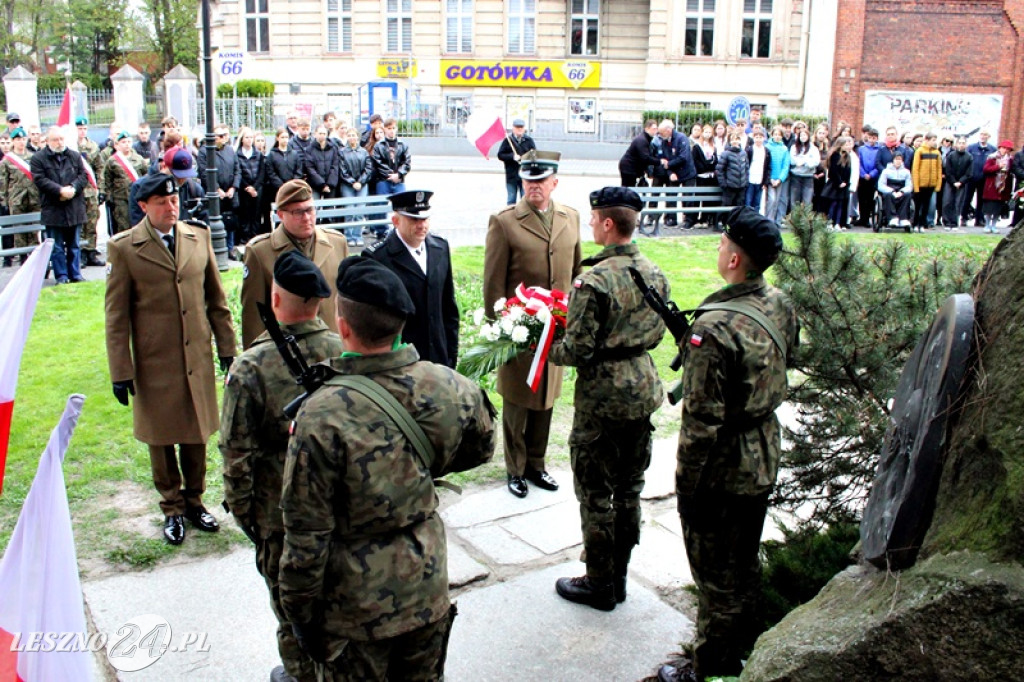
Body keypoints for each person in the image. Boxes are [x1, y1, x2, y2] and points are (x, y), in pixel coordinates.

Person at [278, 256, 495, 681]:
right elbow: (483, 448)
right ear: (400, 325)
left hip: (356, 611)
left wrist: (299, 617)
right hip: (426, 586)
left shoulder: (321, 414)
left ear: (343, 326)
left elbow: (306, 536)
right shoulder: (450, 385)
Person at [656, 207, 799, 682]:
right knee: (743, 562)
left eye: (722, 243)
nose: (718, 248)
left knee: (715, 574)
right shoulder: (779, 302)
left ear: (736, 259)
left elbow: (700, 421)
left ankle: (709, 668)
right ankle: (747, 648)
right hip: (762, 452)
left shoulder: (712, 329)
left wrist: (686, 485)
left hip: (722, 467)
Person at [221, 250, 342, 682]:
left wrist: (247, 516)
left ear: (275, 300)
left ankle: (300, 674)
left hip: (280, 514)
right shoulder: (343, 350)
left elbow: (236, 453)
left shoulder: (251, 365)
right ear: (318, 304)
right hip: (338, 505)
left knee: (292, 607)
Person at [549, 186, 668, 612]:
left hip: (602, 398)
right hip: (642, 388)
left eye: (594, 218)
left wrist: (543, 345)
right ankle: (618, 576)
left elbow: (577, 349)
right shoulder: (653, 270)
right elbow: (656, 331)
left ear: (607, 223)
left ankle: (598, 583)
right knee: (630, 489)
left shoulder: (594, 280)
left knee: (597, 491)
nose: (591, 224)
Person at [105, 173, 237, 545]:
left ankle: (195, 501)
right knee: (161, 437)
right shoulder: (125, 248)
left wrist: (228, 348)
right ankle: (172, 507)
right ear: (144, 206)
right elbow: (116, 318)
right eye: (162, 202)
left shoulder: (198, 238)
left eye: (174, 200)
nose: (171, 207)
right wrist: (121, 370)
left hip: (196, 354)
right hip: (155, 361)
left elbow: (217, 300)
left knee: (197, 431)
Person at [484, 150, 582, 498]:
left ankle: (537, 465)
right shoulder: (505, 221)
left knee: (546, 398)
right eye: (528, 179)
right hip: (520, 330)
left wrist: (574, 316)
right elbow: (493, 284)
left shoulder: (571, 217)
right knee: (517, 399)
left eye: (541, 180)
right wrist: (501, 330)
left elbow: (577, 272)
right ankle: (515, 468)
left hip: (557, 330)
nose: (534, 186)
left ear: (554, 182)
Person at [240, 179, 349, 348]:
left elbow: (347, 301)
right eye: (298, 212)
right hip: (288, 356)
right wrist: (255, 362)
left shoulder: (337, 242)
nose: (307, 218)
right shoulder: (261, 252)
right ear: (281, 214)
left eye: (310, 210)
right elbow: (253, 315)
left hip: (333, 350)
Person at [362, 190, 459, 367]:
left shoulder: (440, 248)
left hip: (439, 359)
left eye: (425, 219)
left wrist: (451, 356)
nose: (422, 225)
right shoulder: (378, 258)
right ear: (396, 221)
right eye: (414, 219)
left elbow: (448, 309)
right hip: (401, 362)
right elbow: (375, 321)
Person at [31, 127, 88, 283]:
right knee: (56, 247)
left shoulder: (74, 156)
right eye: (55, 140)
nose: (59, 142)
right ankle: (61, 276)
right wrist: (59, 191)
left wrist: (73, 188)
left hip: (74, 207)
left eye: (61, 139)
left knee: (74, 245)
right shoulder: (38, 159)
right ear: (48, 141)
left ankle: (75, 274)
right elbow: (40, 180)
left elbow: (83, 176)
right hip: (53, 208)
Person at [197, 124, 242, 256]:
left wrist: (233, 187)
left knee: (230, 222)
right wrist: (217, 189)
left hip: (230, 193)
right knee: (215, 221)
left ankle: (230, 248)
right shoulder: (205, 151)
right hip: (215, 194)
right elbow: (204, 173)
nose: (223, 139)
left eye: (225, 136)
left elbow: (237, 170)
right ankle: (215, 249)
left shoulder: (230, 150)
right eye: (220, 136)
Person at [0, 128, 40, 265]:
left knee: (34, 231)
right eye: (17, 140)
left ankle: (35, 259)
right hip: (16, 200)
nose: (21, 142)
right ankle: (23, 259)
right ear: (13, 141)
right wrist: (4, 202)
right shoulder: (7, 161)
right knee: (19, 232)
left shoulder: (33, 157)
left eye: (23, 139)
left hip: (34, 199)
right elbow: (3, 183)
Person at [101, 131, 149, 235]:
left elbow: (146, 175)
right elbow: (107, 180)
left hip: (137, 197)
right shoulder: (112, 161)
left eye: (129, 141)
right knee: (123, 226)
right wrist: (109, 197)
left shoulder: (139, 159)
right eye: (123, 142)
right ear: (117, 145)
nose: (127, 144)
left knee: (138, 224)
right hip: (120, 199)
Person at [74, 117, 105, 267]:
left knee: (92, 222)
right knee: (79, 223)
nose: (82, 131)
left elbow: (100, 168)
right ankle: (80, 254)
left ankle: (91, 251)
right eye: (79, 128)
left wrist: (100, 188)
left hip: (91, 190)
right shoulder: (71, 147)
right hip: (77, 192)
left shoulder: (93, 146)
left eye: (84, 128)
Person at [338, 126, 373, 246]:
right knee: (349, 211)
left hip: (362, 186)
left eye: (354, 135)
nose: (352, 138)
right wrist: (352, 182)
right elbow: (342, 170)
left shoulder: (364, 152)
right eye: (350, 135)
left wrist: (360, 182)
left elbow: (368, 169)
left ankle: (357, 236)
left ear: (357, 137)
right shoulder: (342, 152)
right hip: (348, 185)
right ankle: (349, 236)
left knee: (359, 211)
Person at [235, 125, 265, 244]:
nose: (249, 140)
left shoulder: (258, 154)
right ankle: (245, 237)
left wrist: (255, 187)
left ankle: (255, 236)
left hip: (257, 188)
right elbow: (238, 172)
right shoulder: (237, 154)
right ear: (242, 139)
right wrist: (247, 187)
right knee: (245, 214)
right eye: (247, 137)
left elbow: (262, 172)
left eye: (251, 137)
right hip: (244, 188)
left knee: (256, 214)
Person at [497, 119, 537, 205]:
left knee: (525, 201)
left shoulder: (529, 140)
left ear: (524, 129)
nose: (519, 129)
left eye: (521, 127)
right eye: (517, 127)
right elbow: (500, 155)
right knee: (511, 200)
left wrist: (526, 158)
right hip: (511, 175)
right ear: (513, 128)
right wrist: (512, 156)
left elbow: (534, 155)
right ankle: (510, 218)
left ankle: (524, 218)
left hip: (525, 175)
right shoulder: (508, 141)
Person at [371, 117, 411, 198]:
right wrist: (391, 175)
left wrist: (399, 174)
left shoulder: (403, 145)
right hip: (383, 181)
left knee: (401, 205)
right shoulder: (378, 146)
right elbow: (378, 163)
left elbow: (407, 162)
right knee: (382, 206)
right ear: (385, 129)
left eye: (393, 128)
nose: (392, 131)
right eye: (389, 128)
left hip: (399, 181)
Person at [980, 140, 1014, 234]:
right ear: (999, 148)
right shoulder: (992, 157)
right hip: (992, 186)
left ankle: (994, 225)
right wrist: (998, 166)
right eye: (1004, 148)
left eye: (1008, 149)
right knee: (989, 207)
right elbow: (986, 169)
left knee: (998, 208)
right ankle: (987, 224)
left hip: (1003, 187)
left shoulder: (1010, 159)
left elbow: (1011, 171)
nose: (1005, 150)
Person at [911, 133, 942, 231]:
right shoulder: (919, 151)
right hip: (920, 184)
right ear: (927, 140)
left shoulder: (937, 153)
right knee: (918, 205)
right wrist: (915, 185)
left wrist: (937, 184)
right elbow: (915, 169)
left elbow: (939, 169)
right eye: (933, 140)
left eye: (935, 140)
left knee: (926, 206)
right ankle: (915, 224)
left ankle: (922, 224)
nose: (934, 142)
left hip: (931, 184)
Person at [966, 130, 997, 226]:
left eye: (985, 135)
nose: (983, 136)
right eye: (982, 134)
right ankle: (964, 217)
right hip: (971, 177)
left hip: (984, 178)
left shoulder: (992, 149)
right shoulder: (971, 147)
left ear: (989, 136)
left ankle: (979, 219)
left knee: (981, 200)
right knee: (967, 198)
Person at [942, 137, 973, 229]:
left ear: (966, 145)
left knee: (958, 203)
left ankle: (954, 223)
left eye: (963, 143)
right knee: (947, 202)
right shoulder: (951, 155)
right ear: (956, 144)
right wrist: (953, 182)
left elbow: (969, 173)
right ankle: (947, 222)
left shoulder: (969, 157)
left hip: (962, 184)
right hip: (950, 182)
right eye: (959, 143)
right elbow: (948, 171)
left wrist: (961, 182)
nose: (961, 145)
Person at [619, 119, 658, 189]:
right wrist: (659, 161)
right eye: (653, 129)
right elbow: (645, 158)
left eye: (656, 129)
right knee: (628, 189)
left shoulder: (646, 139)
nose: (655, 131)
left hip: (632, 167)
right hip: (628, 167)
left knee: (631, 189)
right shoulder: (642, 140)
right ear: (647, 128)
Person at [877, 151, 913, 227]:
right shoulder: (886, 171)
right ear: (893, 160)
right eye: (896, 159)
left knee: (908, 194)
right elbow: (880, 185)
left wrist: (902, 192)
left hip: (901, 191)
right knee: (888, 195)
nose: (898, 161)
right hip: (890, 191)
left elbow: (909, 186)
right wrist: (892, 191)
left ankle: (903, 218)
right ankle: (892, 218)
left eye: (900, 159)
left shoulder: (906, 172)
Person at [305, 124, 339, 201]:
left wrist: (329, 184)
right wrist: (322, 185)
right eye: (320, 133)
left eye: (324, 134)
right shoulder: (309, 149)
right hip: (315, 185)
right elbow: (310, 168)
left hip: (330, 185)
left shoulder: (333, 148)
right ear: (315, 134)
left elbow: (335, 166)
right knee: (314, 207)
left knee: (329, 209)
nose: (322, 136)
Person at [716, 131, 749, 212]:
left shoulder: (744, 153)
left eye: (737, 139)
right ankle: (724, 224)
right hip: (729, 187)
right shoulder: (725, 154)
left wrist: (746, 182)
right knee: (726, 208)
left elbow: (747, 169)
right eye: (733, 139)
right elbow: (719, 170)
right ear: (729, 141)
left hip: (741, 187)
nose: (735, 141)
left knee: (739, 209)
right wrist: (724, 184)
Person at [788, 126, 819, 208]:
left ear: (808, 136)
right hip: (796, 177)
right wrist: (803, 160)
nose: (803, 137)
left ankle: (805, 220)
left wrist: (805, 162)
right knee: (794, 201)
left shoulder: (813, 148)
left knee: (807, 201)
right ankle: (794, 219)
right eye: (801, 135)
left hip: (808, 177)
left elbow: (816, 161)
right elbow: (792, 160)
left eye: (805, 135)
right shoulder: (794, 147)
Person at [855, 128, 881, 227]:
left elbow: (878, 163)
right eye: (870, 137)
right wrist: (863, 173)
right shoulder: (861, 149)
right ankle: (862, 218)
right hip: (863, 177)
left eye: (874, 138)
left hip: (873, 178)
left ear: (877, 138)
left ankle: (867, 219)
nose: (871, 140)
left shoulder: (879, 150)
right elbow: (859, 162)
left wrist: (872, 174)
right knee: (862, 198)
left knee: (870, 199)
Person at [764, 126, 790, 222]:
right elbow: (766, 165)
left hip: (779, 180)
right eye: (775, 134)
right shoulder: (767, 147)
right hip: (769, 179)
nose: (777, 136)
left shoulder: (784, 149)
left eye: (779, 135)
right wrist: (770, 178)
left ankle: (774, 220)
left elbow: (785, 166)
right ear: (772, 135)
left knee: (777, 201)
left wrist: (780, 179)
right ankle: (768, 219)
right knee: (771, 199)